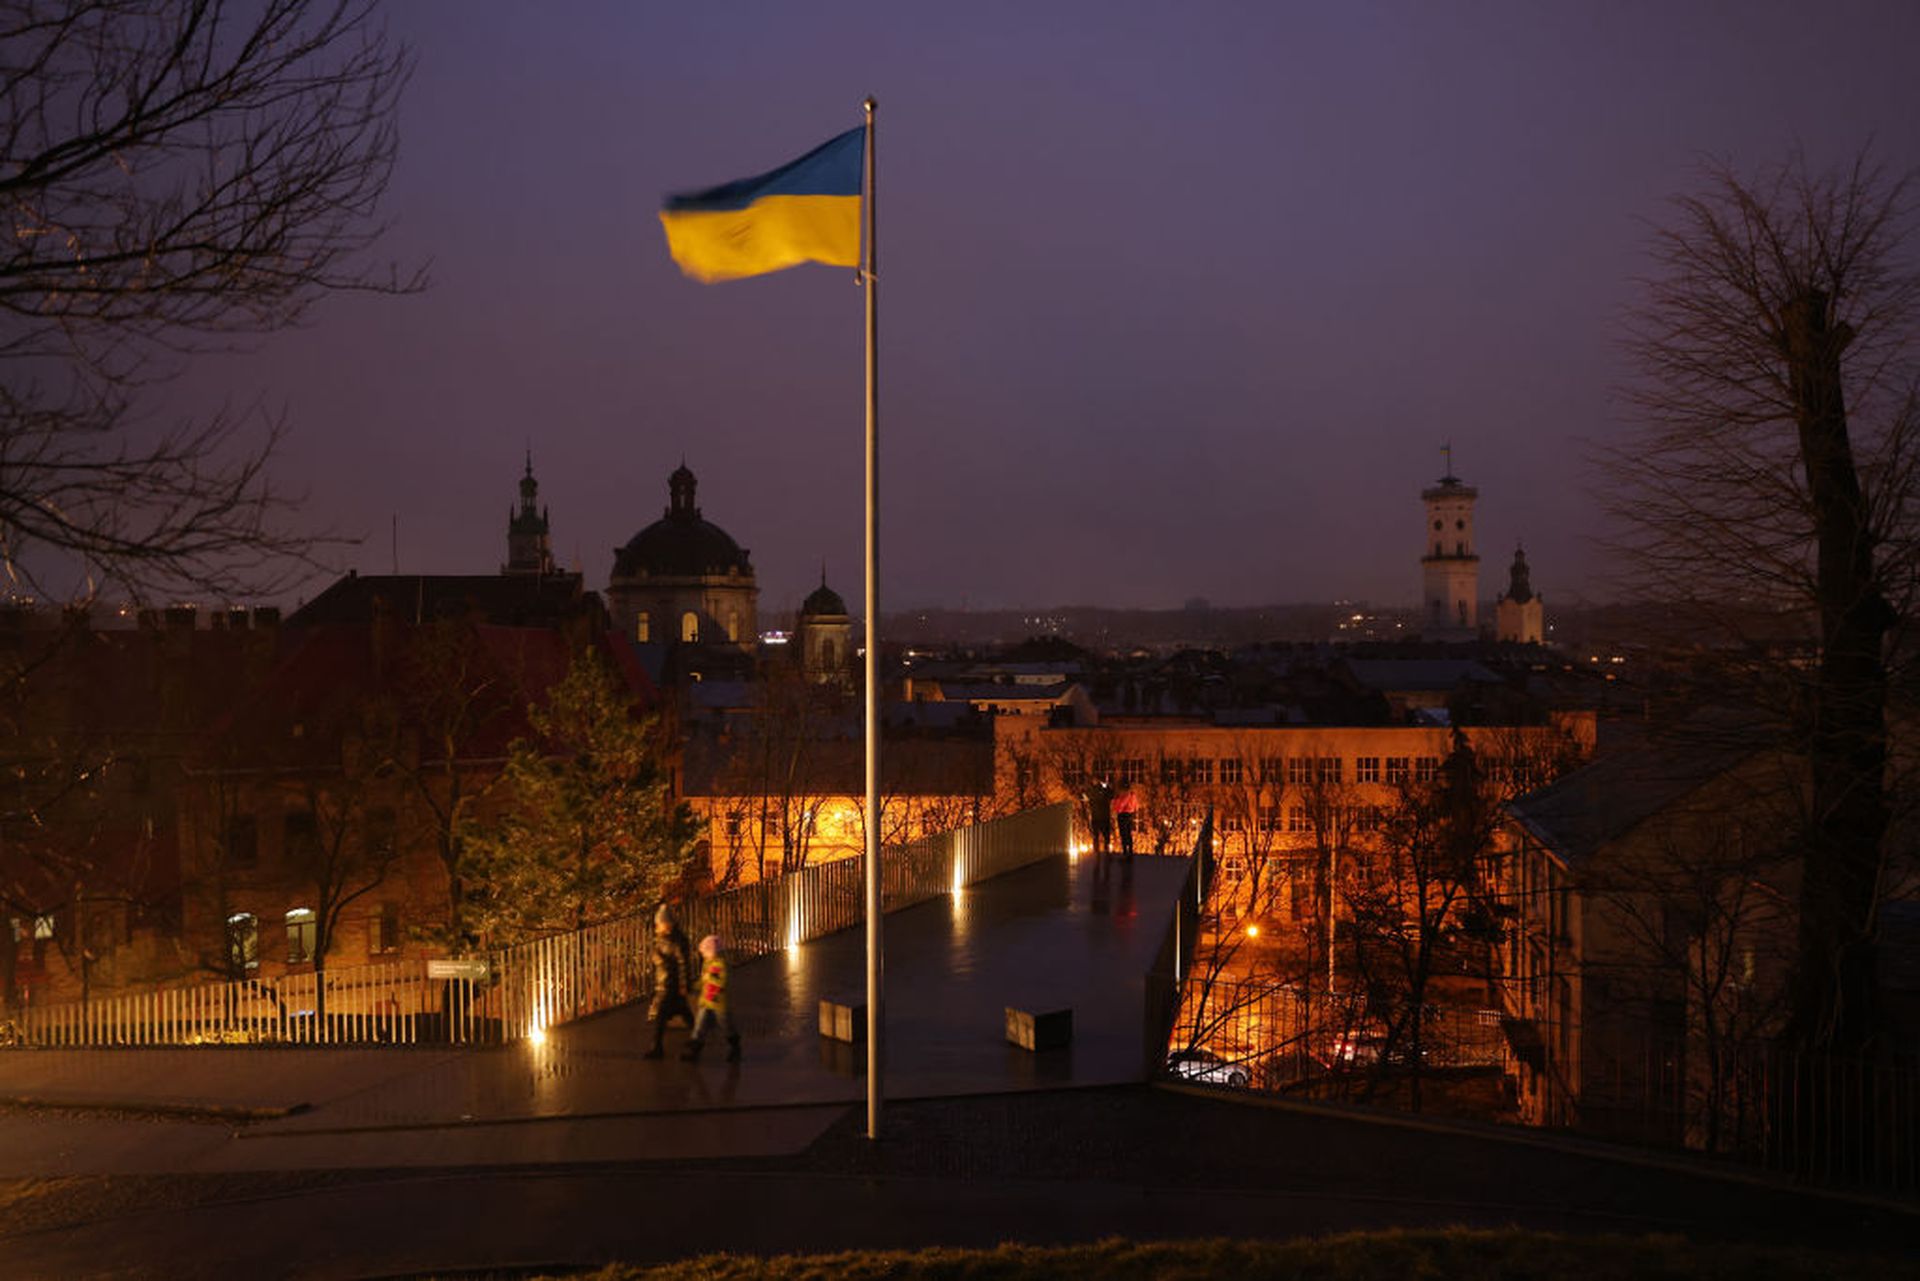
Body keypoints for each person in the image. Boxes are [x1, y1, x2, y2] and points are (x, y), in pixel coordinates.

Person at [643, 904, 694, 1059]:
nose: (657, 926)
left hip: (672, 984)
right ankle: (697, 1038)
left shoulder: (677, 940)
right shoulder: (660, 939)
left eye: (660, 923)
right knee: (682, 1012)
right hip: (664, 982)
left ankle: (657, 1047)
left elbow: (683, 963)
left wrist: (684, 984)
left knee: (662, 1015)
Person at [682, 933, 741, 1062]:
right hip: (707, 1002)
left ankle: (735, 1047)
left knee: (725, 1026)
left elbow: (719, 982)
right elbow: (705, 981)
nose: (702, 955)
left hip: (718, 1003)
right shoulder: (709, 963)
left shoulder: (719, 965)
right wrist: (694, 987)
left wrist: (707, 980)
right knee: (700, 1026)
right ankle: (694, 1051)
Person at [1085, 777, 1114, 856]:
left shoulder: (1092, 791)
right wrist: (1106, 787)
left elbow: (1085, 796)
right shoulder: (1104, 790)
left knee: (1096, 836)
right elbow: (1112, 795)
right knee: (1106, 836)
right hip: (1105, 816)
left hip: (1096, 817)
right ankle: (1106, 850)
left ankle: (1096, 851)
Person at [1112, 781, 1140, 858]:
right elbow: (1136, 806)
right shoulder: (1133, 795)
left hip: (1122, 815)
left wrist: (1117, 804)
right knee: (1128, 832)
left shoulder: (1124, 795)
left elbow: (1118, 806)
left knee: (1123, 833)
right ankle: (1130, 850)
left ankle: (1125, 851)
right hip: (1129, 815)